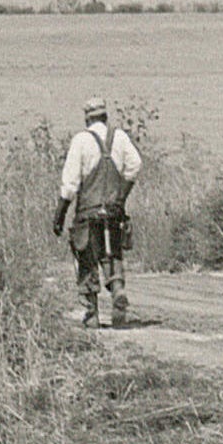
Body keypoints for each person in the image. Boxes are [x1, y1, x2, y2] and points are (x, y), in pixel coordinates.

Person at [54, 95, 143, 326]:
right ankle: (118, 290)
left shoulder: (81, 140)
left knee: (86, 257)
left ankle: (92, 312)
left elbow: (70, 183)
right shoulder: (120, 137)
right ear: (106, 116)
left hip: (88, 212)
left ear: (87, 118)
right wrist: (120, 197)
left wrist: (60, 214)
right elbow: (135, 166)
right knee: (112, 253)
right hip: (113, 212)